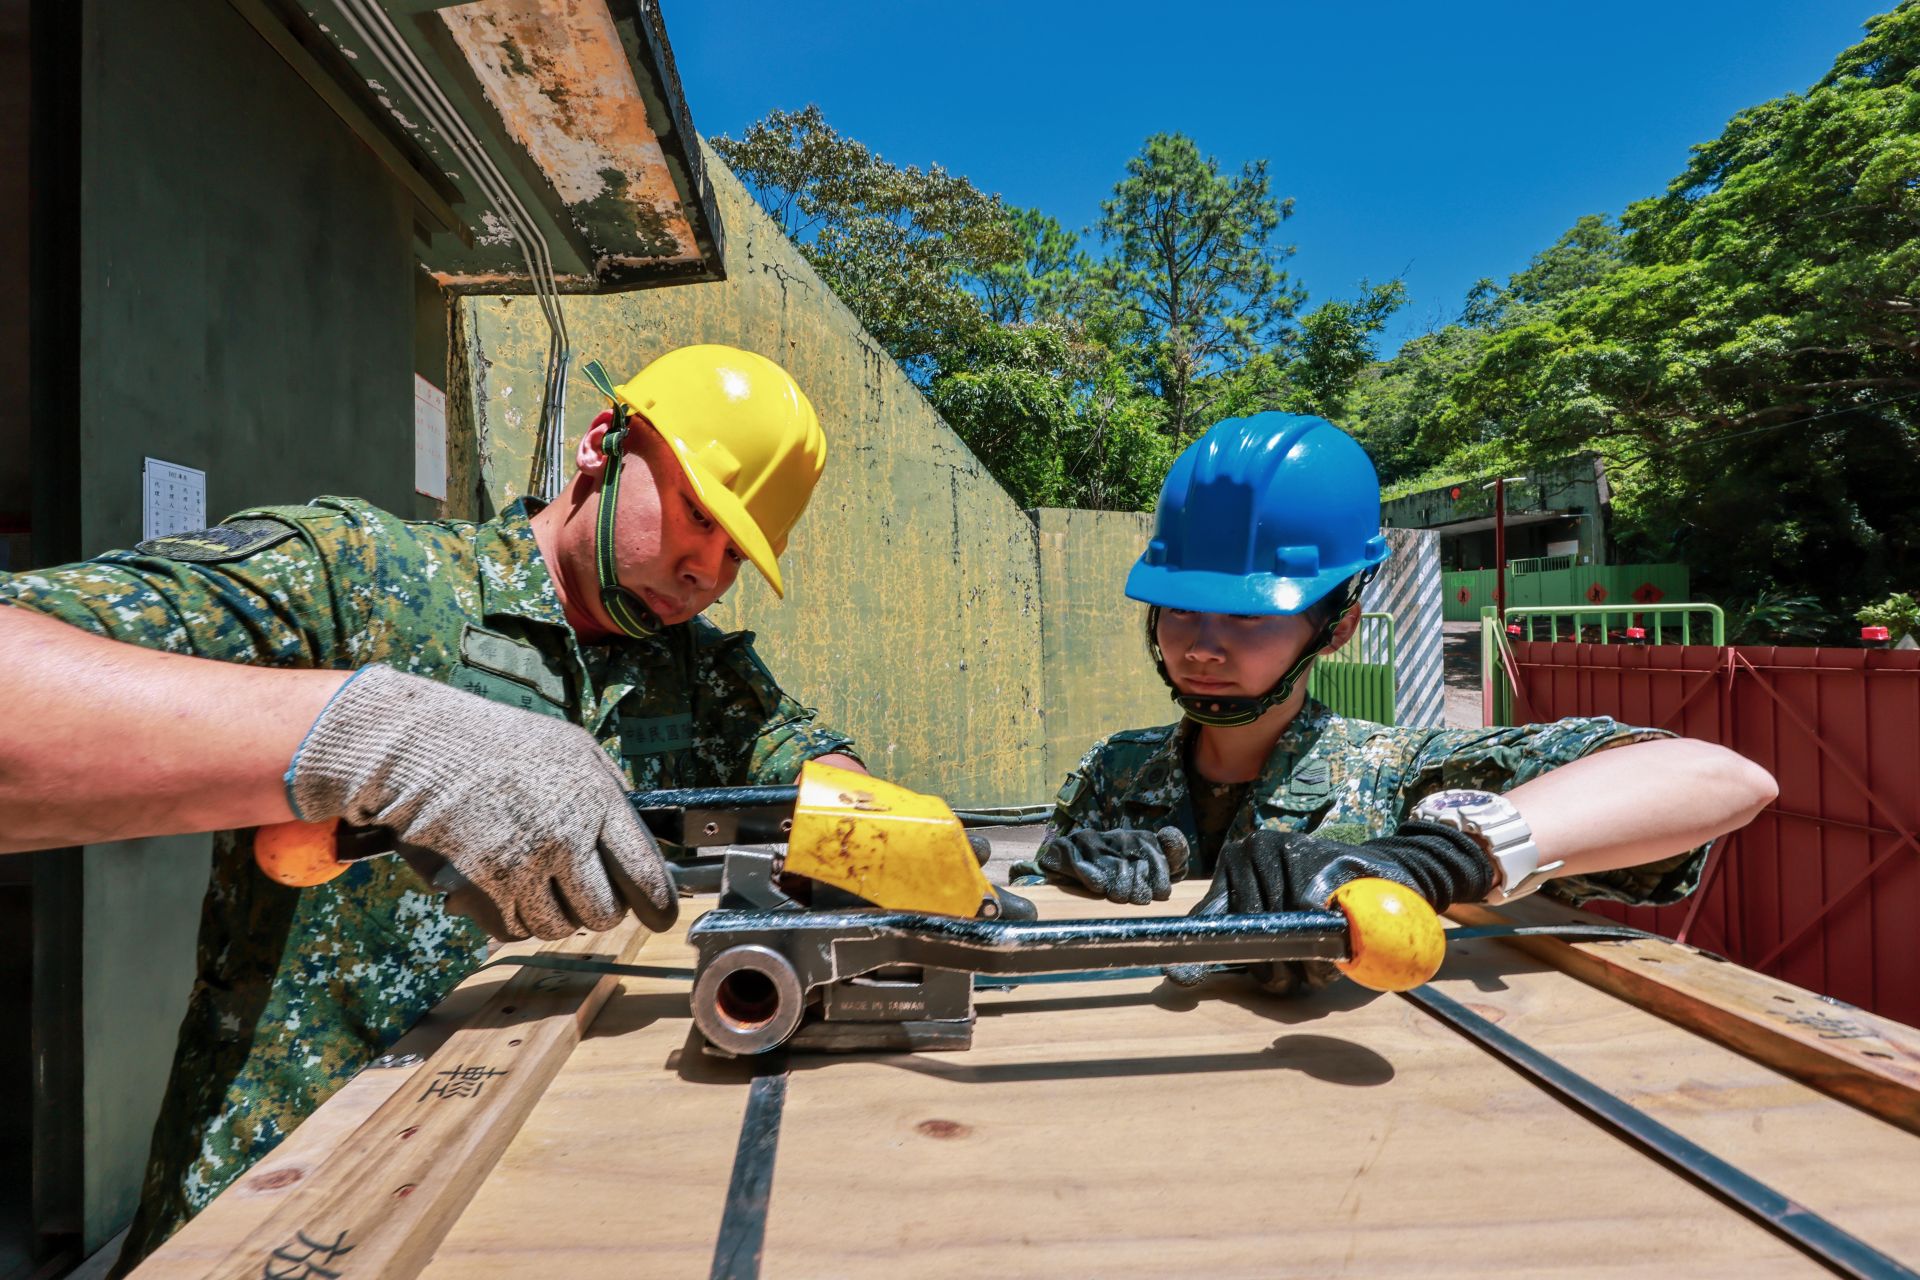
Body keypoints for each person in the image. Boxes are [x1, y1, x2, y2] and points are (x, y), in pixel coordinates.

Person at [0, 345, 864, 1266]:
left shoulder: (696, 671)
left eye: (737, 553)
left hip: (520, 1207)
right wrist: (373, 736)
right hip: (271, 1207)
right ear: (603, 445)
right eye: (698, 515)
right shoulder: (364, 579)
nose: (706, 573)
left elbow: (830, 783)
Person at [1027, 412, 1776, 991]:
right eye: (1181, 610)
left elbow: (1723, 778)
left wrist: (1438, 858)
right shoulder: (1117, 769)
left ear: (1338, 626)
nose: (1200, 647)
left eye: (1250, 617)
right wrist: (1061, 873)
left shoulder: (1402, 779)